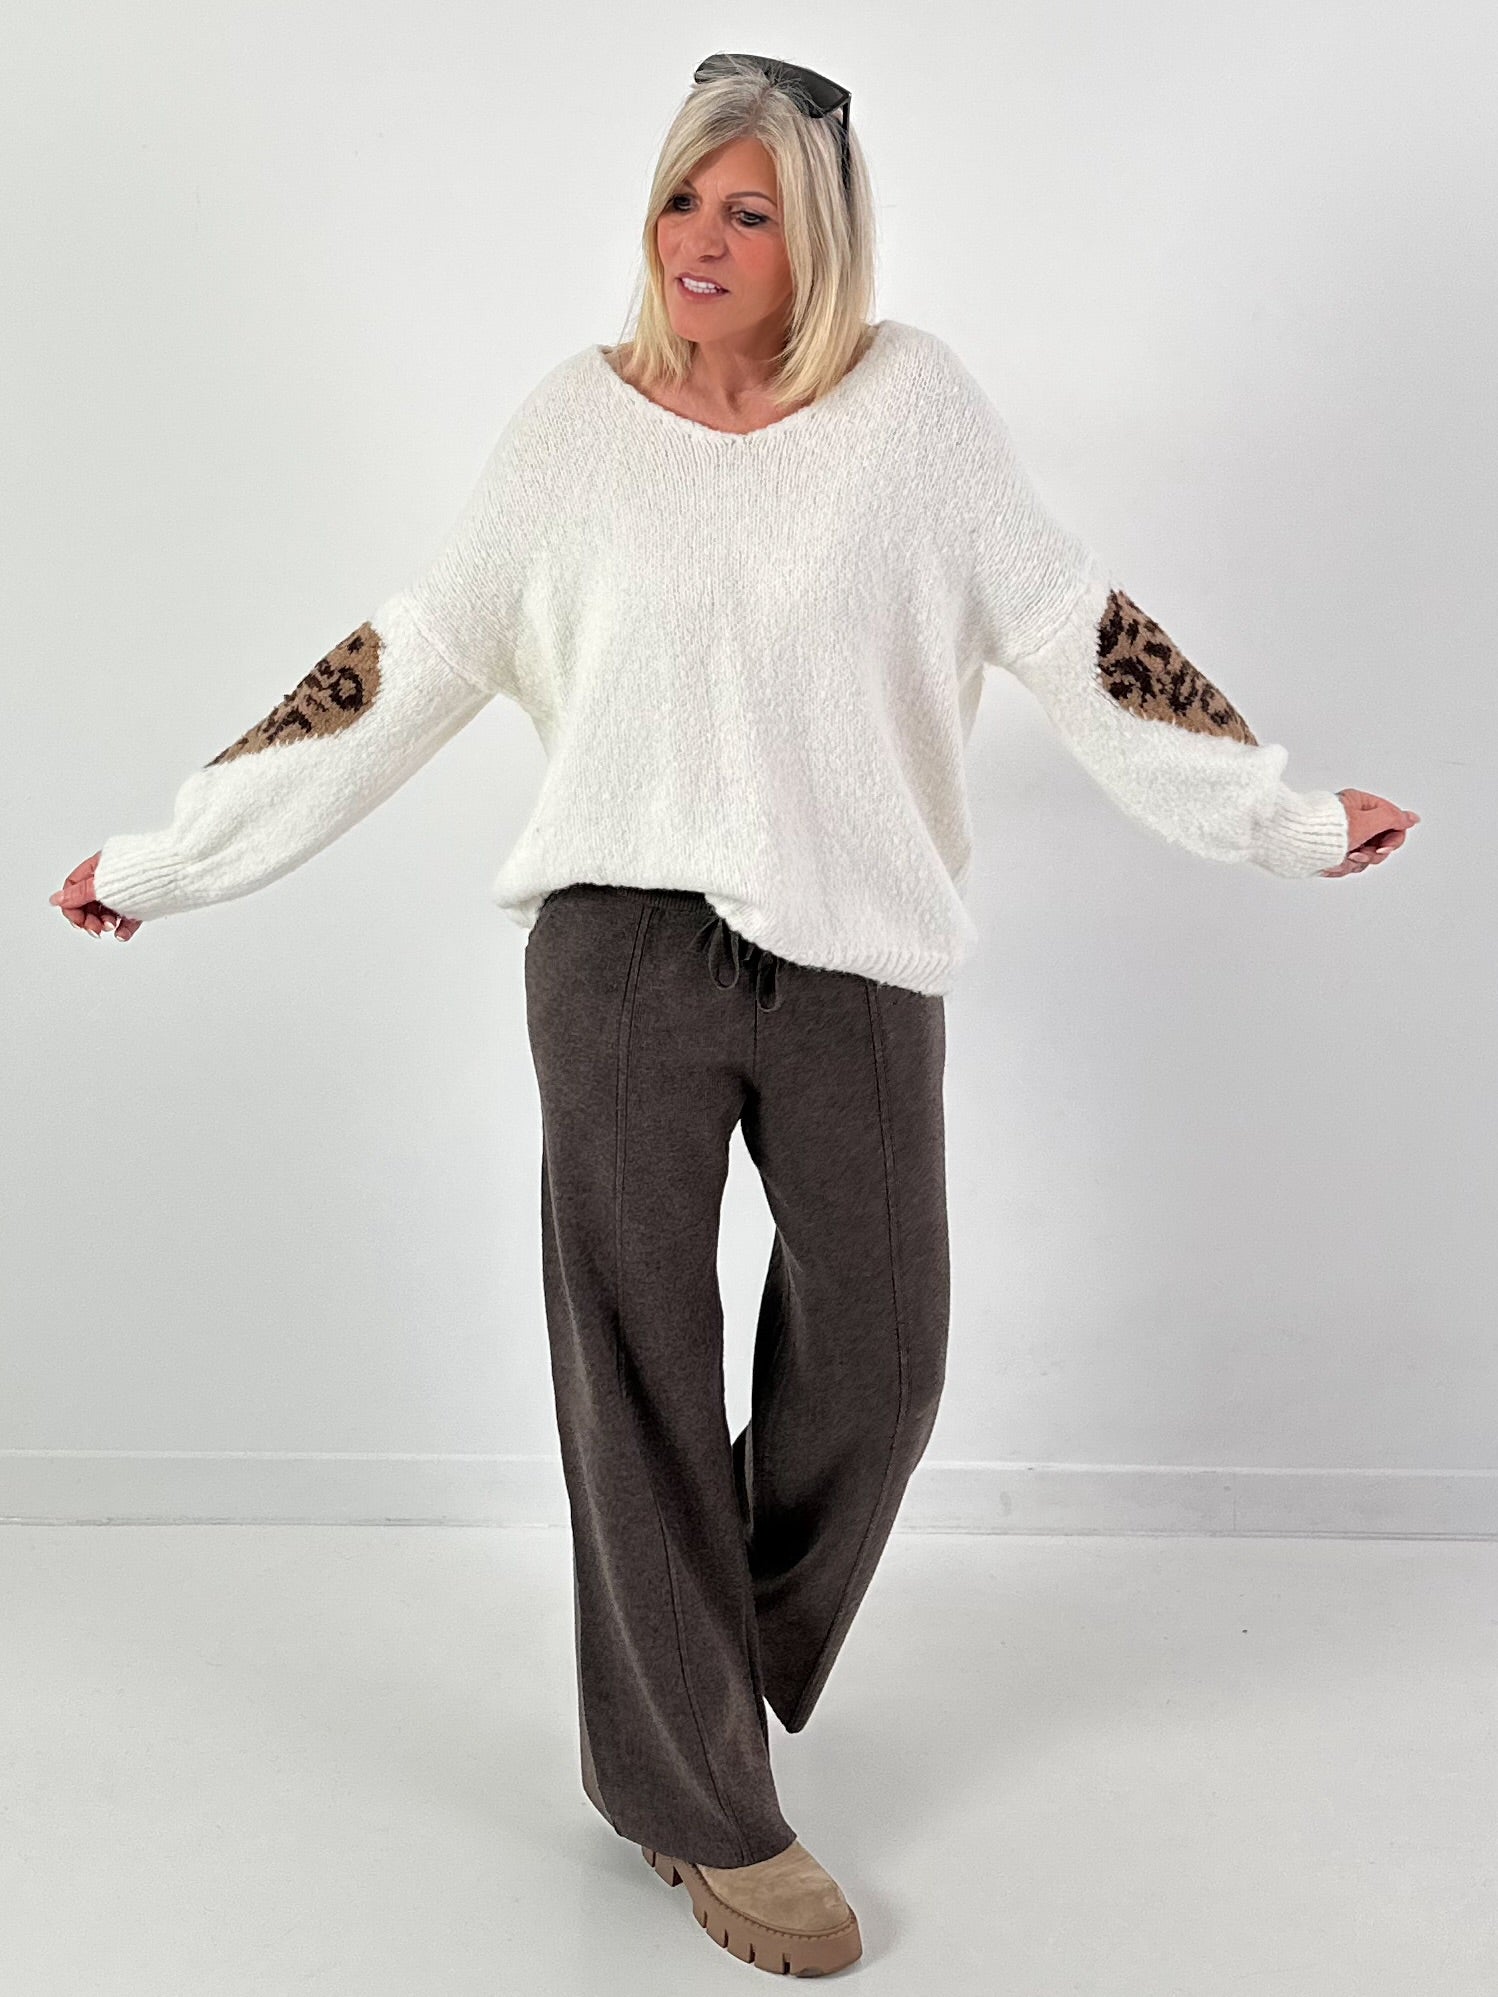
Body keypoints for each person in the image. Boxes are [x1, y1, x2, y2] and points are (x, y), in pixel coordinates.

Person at [51, 50, 1418, 1979]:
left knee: (887, 1354)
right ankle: (704, 1801)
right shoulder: (570, 429)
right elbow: (399, 664)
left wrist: (1277, 813)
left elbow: (1077, 635)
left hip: (855, 948)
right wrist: (176, 855)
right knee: (636, 1371)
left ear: (818, 236)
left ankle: (687, 1662)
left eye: (748, 210)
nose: (699, 239)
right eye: (682, 199)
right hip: (617, 949)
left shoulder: (913, 411)